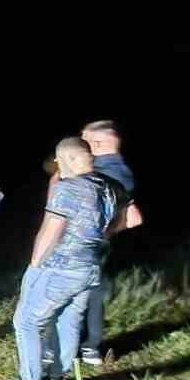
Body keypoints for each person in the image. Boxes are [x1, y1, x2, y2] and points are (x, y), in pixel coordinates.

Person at [0, 137, 128, 380]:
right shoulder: (110, 186)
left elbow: (52, 229)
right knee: (68, 320)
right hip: (90, 267)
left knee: (27, 321)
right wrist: (99, 238)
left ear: (67, 159)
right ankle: (57, 378)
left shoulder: (68, 188)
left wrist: (35, 264)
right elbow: (125, 219)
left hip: (60, 267)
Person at [73, 119, 143, 365]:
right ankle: (90, 347)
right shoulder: (123, 171)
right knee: (93, 291)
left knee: (77, 293)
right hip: (101, 242)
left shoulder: (101, 173)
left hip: (85, 242)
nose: (79, 146)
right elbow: (131, 217)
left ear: (98, 143)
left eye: (83, 140)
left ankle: (72, 347)